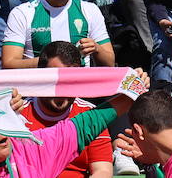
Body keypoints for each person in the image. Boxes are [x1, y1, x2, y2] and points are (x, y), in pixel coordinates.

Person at [0, 89, 133, 178]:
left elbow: (89, 122)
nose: (2, 129)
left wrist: (131, 91)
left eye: (4, 120)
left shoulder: (31, 151)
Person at [17, 40, 116, 178]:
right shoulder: (17, 115)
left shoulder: (90, 114)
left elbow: (103, 171)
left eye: (70, 81)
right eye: (55, 80)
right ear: (39, 77)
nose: (62, 89)